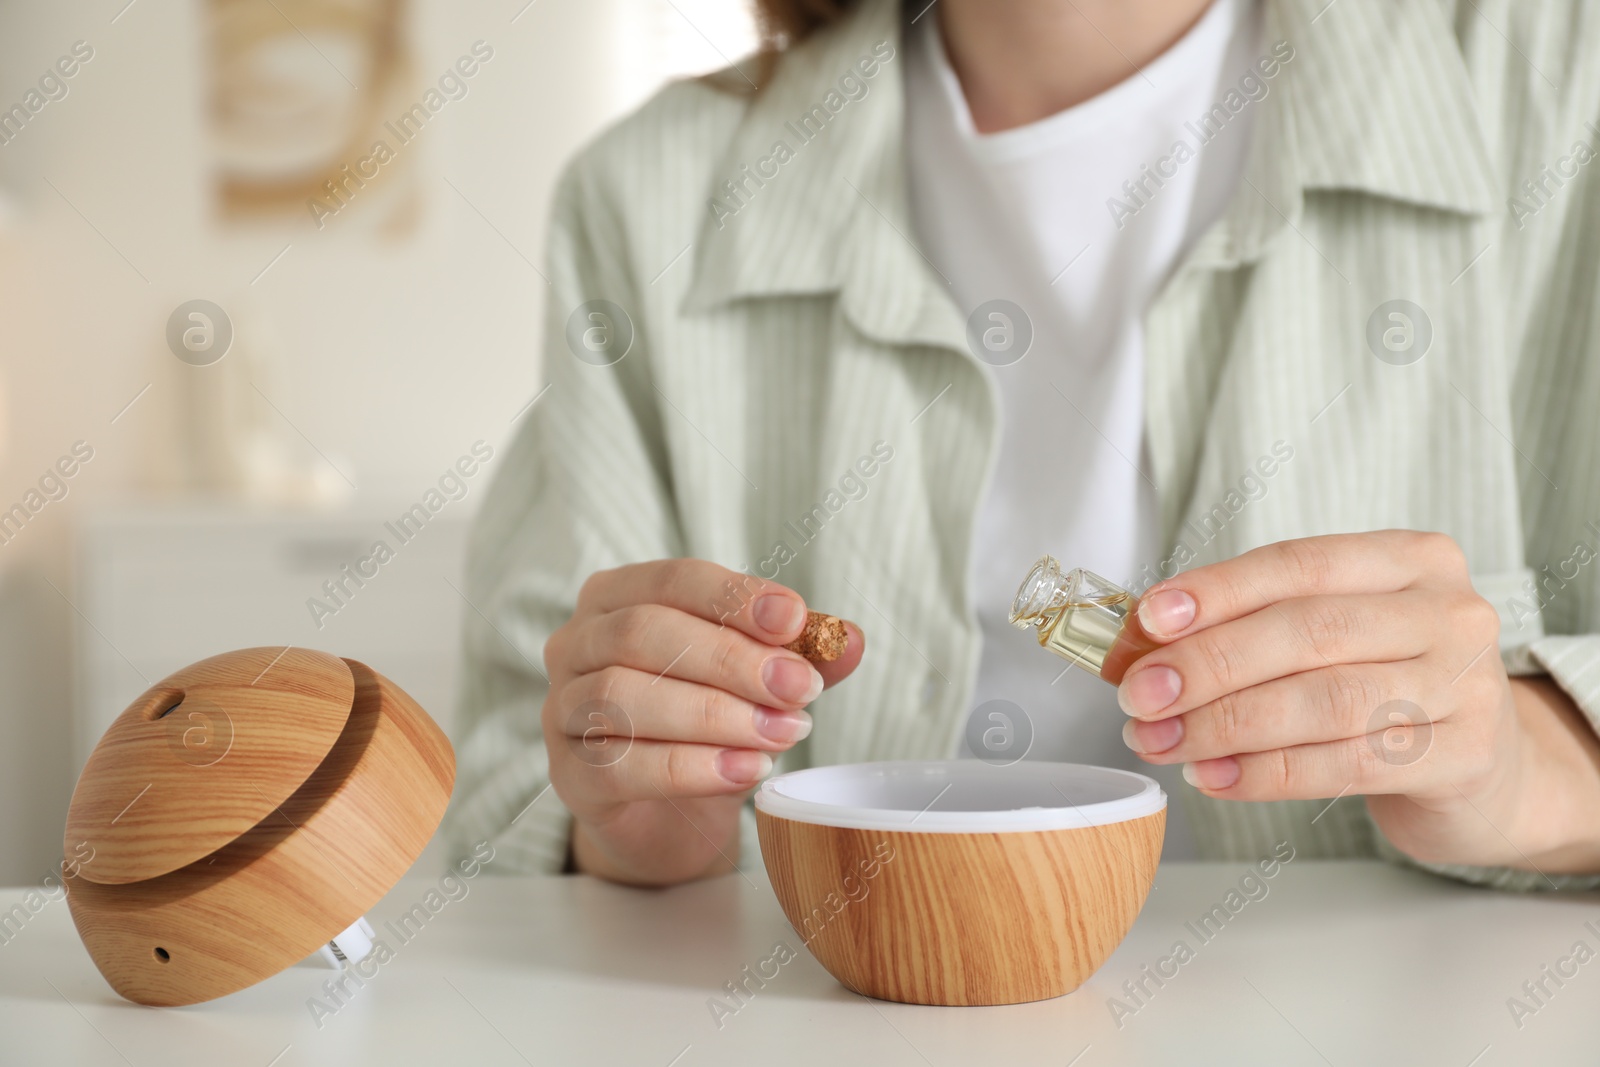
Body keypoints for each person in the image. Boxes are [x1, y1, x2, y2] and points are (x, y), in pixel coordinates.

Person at [445, 0, 1600, 891]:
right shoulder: (646, 200)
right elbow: (503, 814)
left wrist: (1531, 766)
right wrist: (637, 832)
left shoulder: (1564, 84)